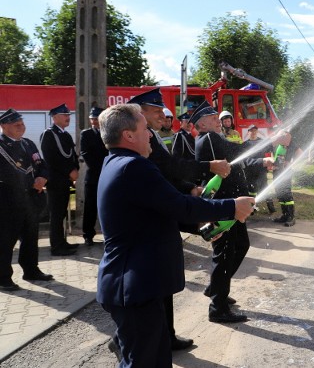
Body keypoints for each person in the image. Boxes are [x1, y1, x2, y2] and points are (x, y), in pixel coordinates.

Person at [95, 103, 254, 367]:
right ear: (128, 135)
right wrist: (232, 207)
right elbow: (180, 205)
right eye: (145, 129)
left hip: (137, 285)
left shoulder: (120, 163)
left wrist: (200, 229)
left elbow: (161, 210)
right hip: (135, 287)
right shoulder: (133, 167)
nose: (151, 136)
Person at [126, 87, 231, 351]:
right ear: (140, 113)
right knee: (149, 291)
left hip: (161, 221)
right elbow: (170, 169)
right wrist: (208, 168)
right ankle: (127, 340)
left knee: (162, 286)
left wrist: (190, 191)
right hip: (148, 229)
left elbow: (170, 174)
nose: (163, 115)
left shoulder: (151, 136)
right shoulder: (137, 147)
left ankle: (167, 335)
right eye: (156, 111)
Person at [191, 101, 275, 323]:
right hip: (223, 206)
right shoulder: (209, 138)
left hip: (232, 205)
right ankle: (217, 308)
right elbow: (237, 150)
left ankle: (217, 288)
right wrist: (267, 141)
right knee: (225, 252)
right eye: (211, 117)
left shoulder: (214, 138)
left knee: (240, 246)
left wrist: (261, 159)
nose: (217, 119)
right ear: (201, 124)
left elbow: (239, 159)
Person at [0, 109, 53, 291]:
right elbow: (8, 172)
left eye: (22, 124)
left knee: (30, 237)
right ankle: (3, 278)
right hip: (8, 200)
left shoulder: (28, 144)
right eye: (16, 125)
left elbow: (41, 165)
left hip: (30, 199)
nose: (21, 127)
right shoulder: (1, 146)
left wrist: (42, 178)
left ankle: (31, 270)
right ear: (4, 126)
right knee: (6, 240)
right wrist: (30, 181)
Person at [40, 103, 80, 256]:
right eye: (64, 115)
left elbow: (72, 155)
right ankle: (56, 247)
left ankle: (62, 242)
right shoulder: (49, 134)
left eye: (68, 115)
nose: (67, 117)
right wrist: (69, 171)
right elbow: (50, 158)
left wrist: (76, 168)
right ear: (54, 117)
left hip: (65, 180)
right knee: (56, 215)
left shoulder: (65, 134)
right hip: (56, 181)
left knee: (62, 213)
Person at [79, 106, 108, 246]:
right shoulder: (86, 134)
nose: (94, 122)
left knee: (108, 206)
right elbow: (85, 154)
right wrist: (102, 169)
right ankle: (88, 235)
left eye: (97, 119)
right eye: (92, 119)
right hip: (94, 177)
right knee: (90, 207)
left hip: (108, 176)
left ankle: (108, 234)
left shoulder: (109, 133)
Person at [272, 128, 303, 227]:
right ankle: (284, 215)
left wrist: (291, 163)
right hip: (277, 171)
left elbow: (300, 153)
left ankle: (291, 217)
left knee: (286, 193)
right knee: (280, 193)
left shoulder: (291, 144)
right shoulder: (278, 144)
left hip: (285, 172)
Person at [243, 124, 276, 213]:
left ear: (257, 131)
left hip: (261, 170)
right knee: (252, 190)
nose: (253, 132)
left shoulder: (263, 142)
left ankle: (271, 208)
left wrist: (272, 160)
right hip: (250, 170)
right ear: (248, 132)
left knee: (265, 188)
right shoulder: (245, 144)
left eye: (255, 130)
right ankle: (252, 209)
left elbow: (271, 150)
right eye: (251, 131)